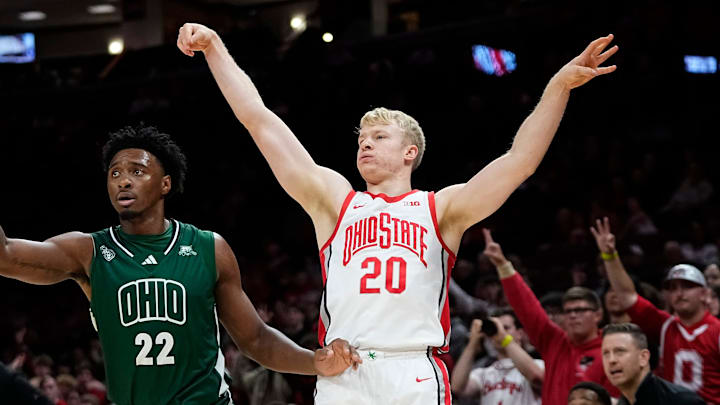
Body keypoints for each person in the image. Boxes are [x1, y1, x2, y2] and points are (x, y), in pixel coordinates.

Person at [177, 23, 617, 404]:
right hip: (343, 367)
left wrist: (558, 86)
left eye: (379, 136)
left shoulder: (441, 207)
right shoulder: (335, 200)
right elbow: (261, 120)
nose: (365, 143)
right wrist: (215, 48)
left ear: (410, 152)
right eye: (361, 138)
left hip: (415, 370)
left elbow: (519, 161)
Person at [0, 125, 358, 405]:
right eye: (114, 173)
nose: (123, 179)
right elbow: (8, 256)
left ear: (165, 184)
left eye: (137, 171)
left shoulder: (208, 248)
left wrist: (314, 362)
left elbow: (256, 339)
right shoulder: (88, 251)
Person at [483, 228, 619, 404]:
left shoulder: (610, 352)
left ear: (598, 315)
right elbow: (528, 309)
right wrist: (502, 265)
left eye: (580, 310)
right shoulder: (555, 342)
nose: (573, 316)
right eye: (568, 311)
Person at [591, 217, 720, 403]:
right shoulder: (665, 326)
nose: (679, 293)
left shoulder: (717, 331)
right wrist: (609, 256)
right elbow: (627, 296)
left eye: (687, 286)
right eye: (673, 288)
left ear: (704, 293)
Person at [451, 310, 544, 404]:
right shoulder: (485, 373)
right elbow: (457, 387)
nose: (499, 332)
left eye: (506, 328)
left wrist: (505, 339)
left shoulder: (538, 365)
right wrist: (473, 342)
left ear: (519, 333)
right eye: (497, 328)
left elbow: (536, 378)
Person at [601, 323, 705, 405]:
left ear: (643, 357)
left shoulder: (682, 401)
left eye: (620, 351)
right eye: (606, 353)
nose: (611, 360)